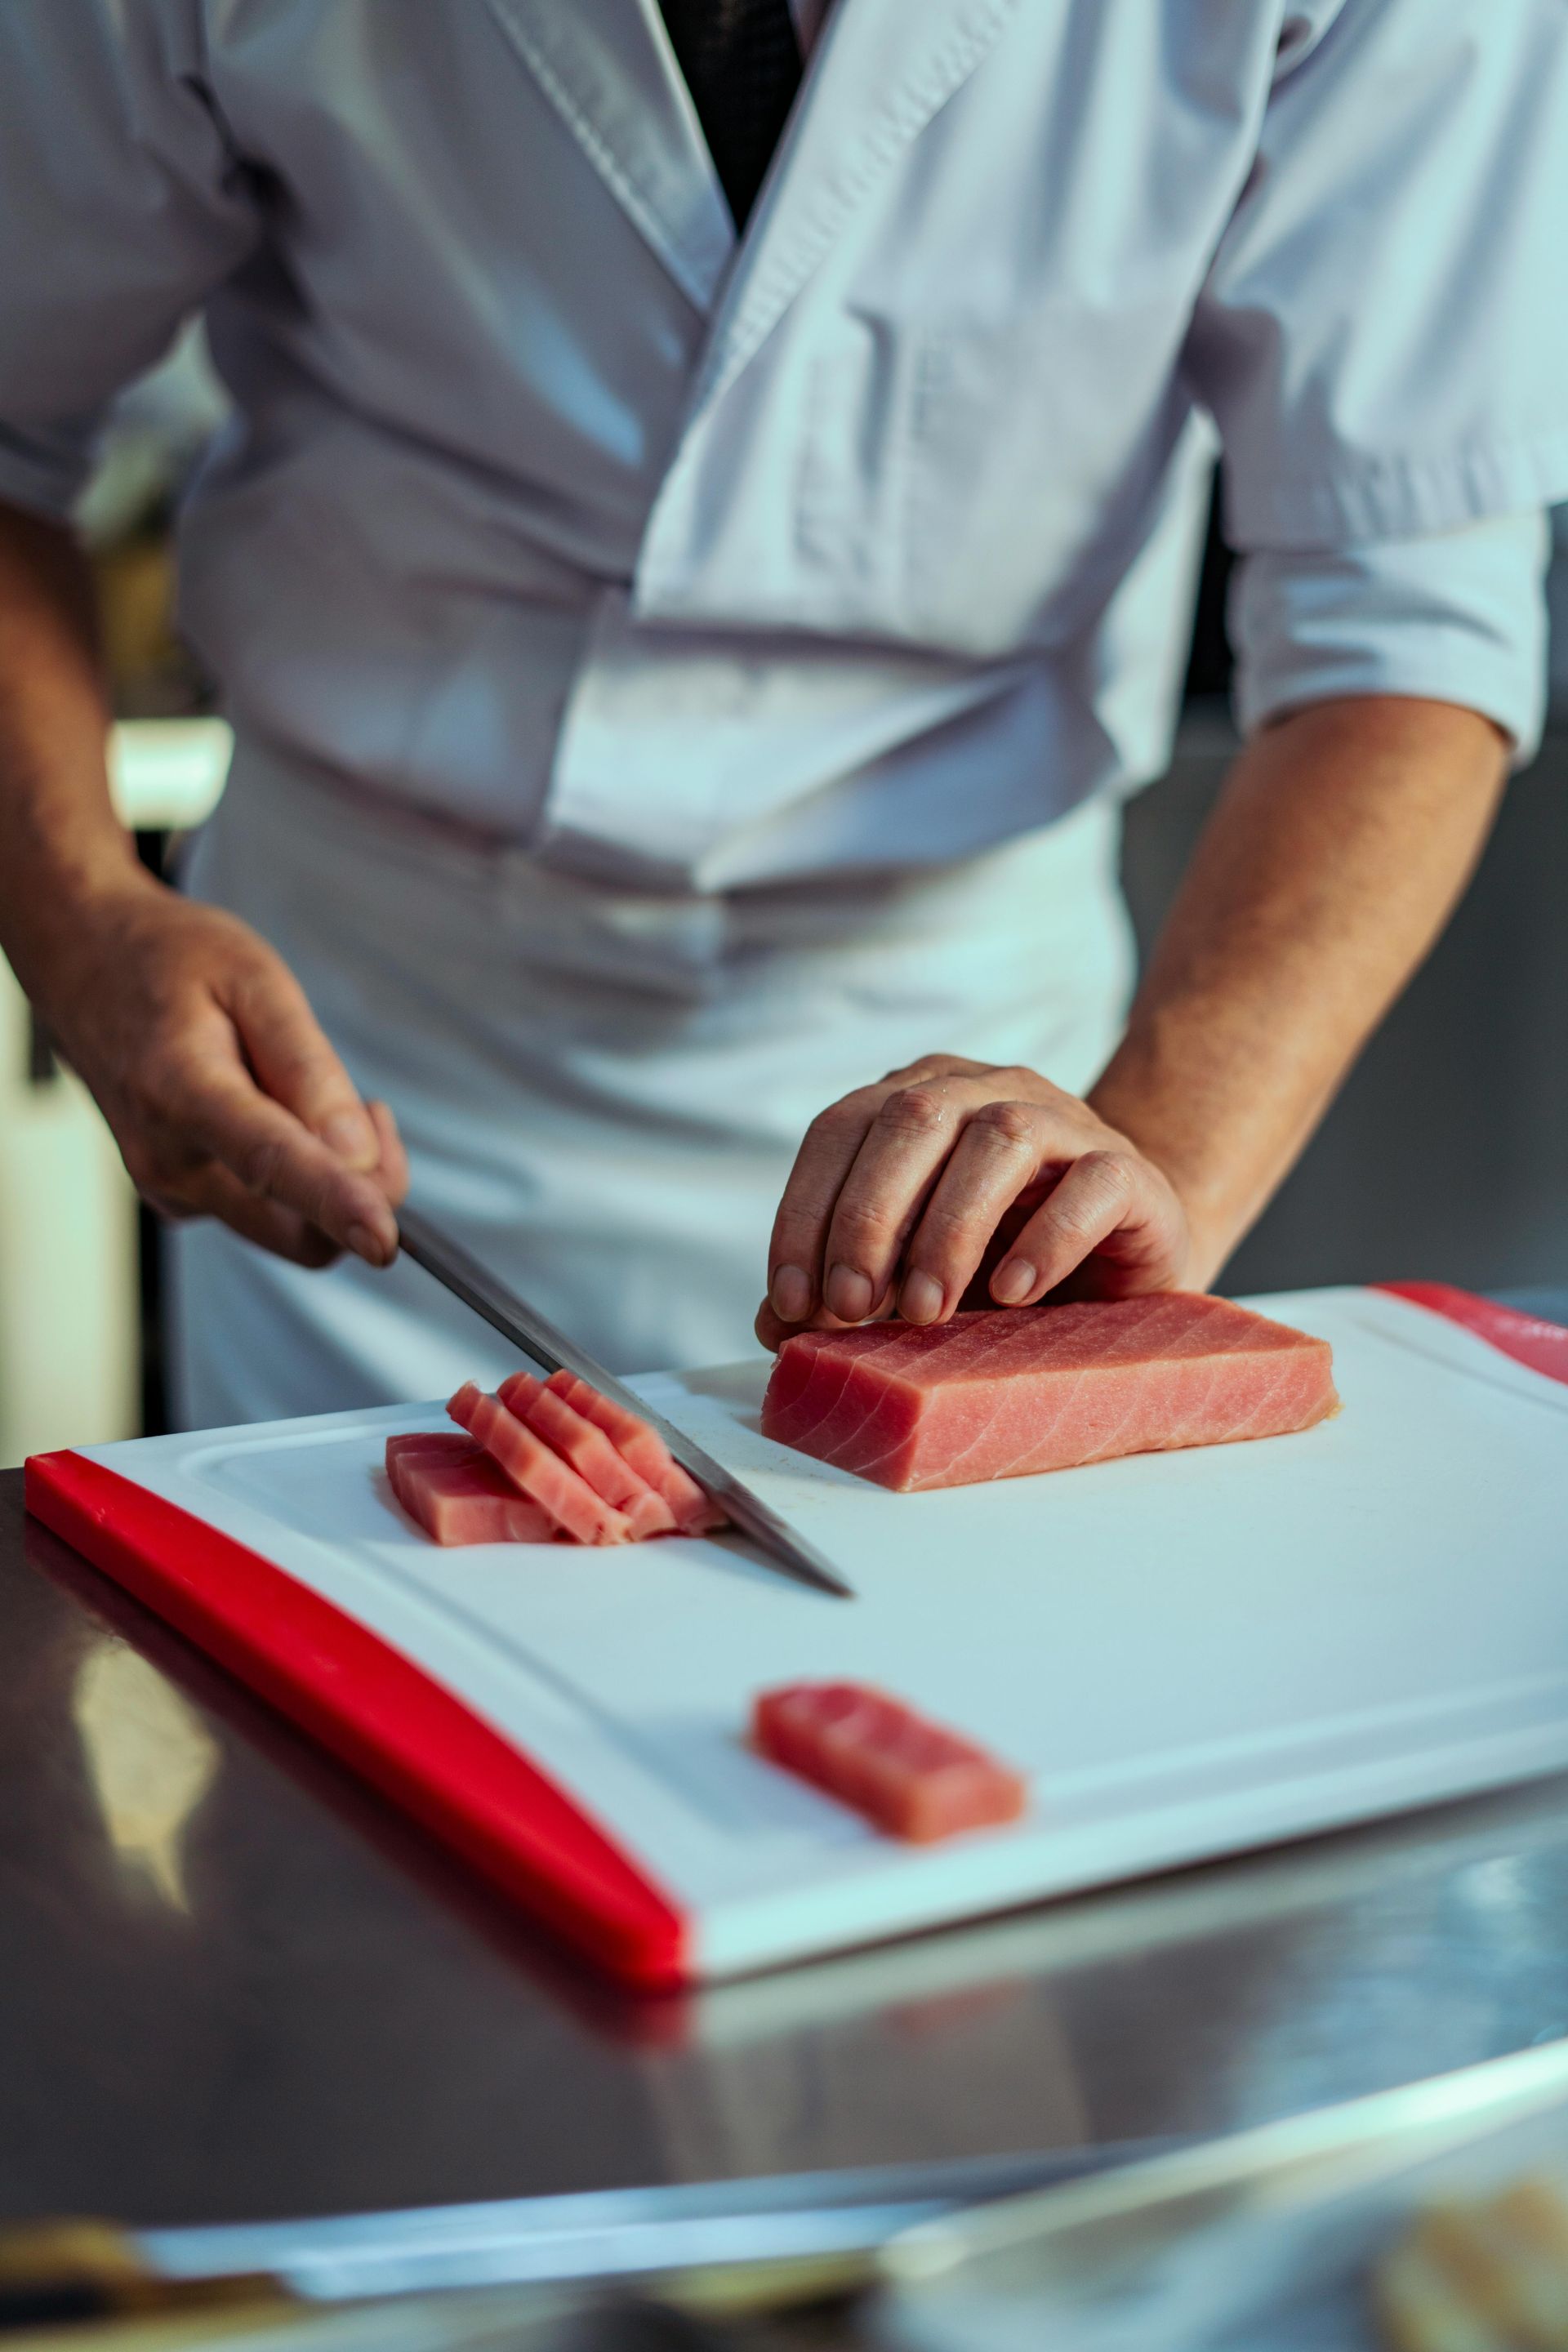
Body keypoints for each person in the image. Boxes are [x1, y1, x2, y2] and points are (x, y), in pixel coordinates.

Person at [0, 0, 1564, 1426]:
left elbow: (1406, 603)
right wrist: (75, 919)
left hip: (966, 1095)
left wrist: (1154, 1166)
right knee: (358, 1717)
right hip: (369, 1056)